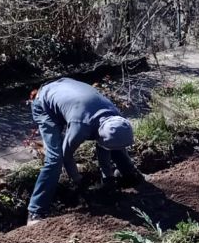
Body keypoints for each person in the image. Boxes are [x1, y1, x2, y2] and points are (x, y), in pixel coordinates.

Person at [27, 78, 142, 224]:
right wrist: (79, 183)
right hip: (44, 104)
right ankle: (35, 211)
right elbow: (67, 155)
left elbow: (107, 146)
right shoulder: (80, 127)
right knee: (55, 159)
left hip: (68, 95)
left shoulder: (115, 117)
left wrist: (108, 179)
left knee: (115, 140)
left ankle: (130, 174)